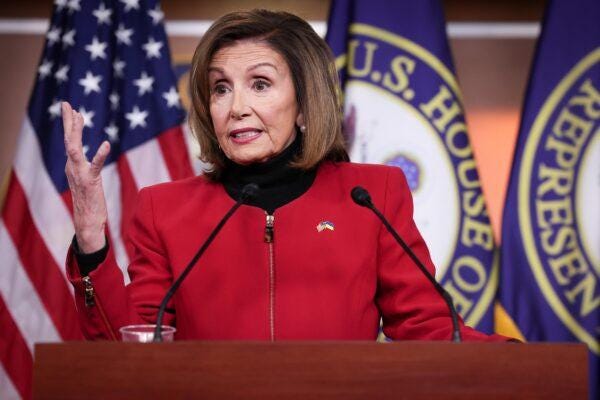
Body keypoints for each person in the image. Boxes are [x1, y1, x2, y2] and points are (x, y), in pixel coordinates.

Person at [63, 9, 510, 342]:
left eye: (259, 84)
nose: (236, 106)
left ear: (304, 103)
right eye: (220, 88)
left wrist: (518, 360)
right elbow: (132, 343)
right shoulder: (167, 209)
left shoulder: (371, 195)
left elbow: (427, 328)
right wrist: (89, 238)